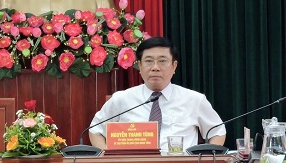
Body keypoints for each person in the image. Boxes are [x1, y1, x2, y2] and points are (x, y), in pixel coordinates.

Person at [88, 37, 226, 153]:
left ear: (174, 66)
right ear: (139, 66)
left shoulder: (194, 100)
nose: (155, 67)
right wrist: (108, 159)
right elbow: (95, 130)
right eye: (148, 61)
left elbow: (218, 131)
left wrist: (206, 161)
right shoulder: (122, 99)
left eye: (162, 61)